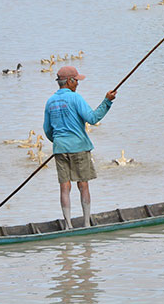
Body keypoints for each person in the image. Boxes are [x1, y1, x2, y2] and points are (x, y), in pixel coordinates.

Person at [43, 65, 116, 229]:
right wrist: (107, 101)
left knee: (64, 186)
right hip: (79, 147)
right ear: (69, 81)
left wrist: (58, 142)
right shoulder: (76, 98)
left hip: (60, 148)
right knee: (83, 184)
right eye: (76, 81)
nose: (77, 84)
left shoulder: (50, 101)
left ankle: (68, 225)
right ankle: (86, 223)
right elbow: (92, 118)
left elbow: (48, 130)